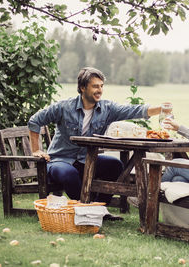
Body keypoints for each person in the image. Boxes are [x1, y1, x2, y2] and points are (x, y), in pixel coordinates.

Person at [28, 67, 163, 219]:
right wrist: (36, 150)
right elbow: (35, 121)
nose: (99, 90)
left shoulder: (107, 109)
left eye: (101, 86)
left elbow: (133, 110)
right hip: (59, 160)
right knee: (69, 173)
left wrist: (161, 109)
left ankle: (98, 209)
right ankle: (85, 210)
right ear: (82, 88)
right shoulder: (64, 107)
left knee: (115, 165)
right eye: (95, 86)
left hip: (85, 160)